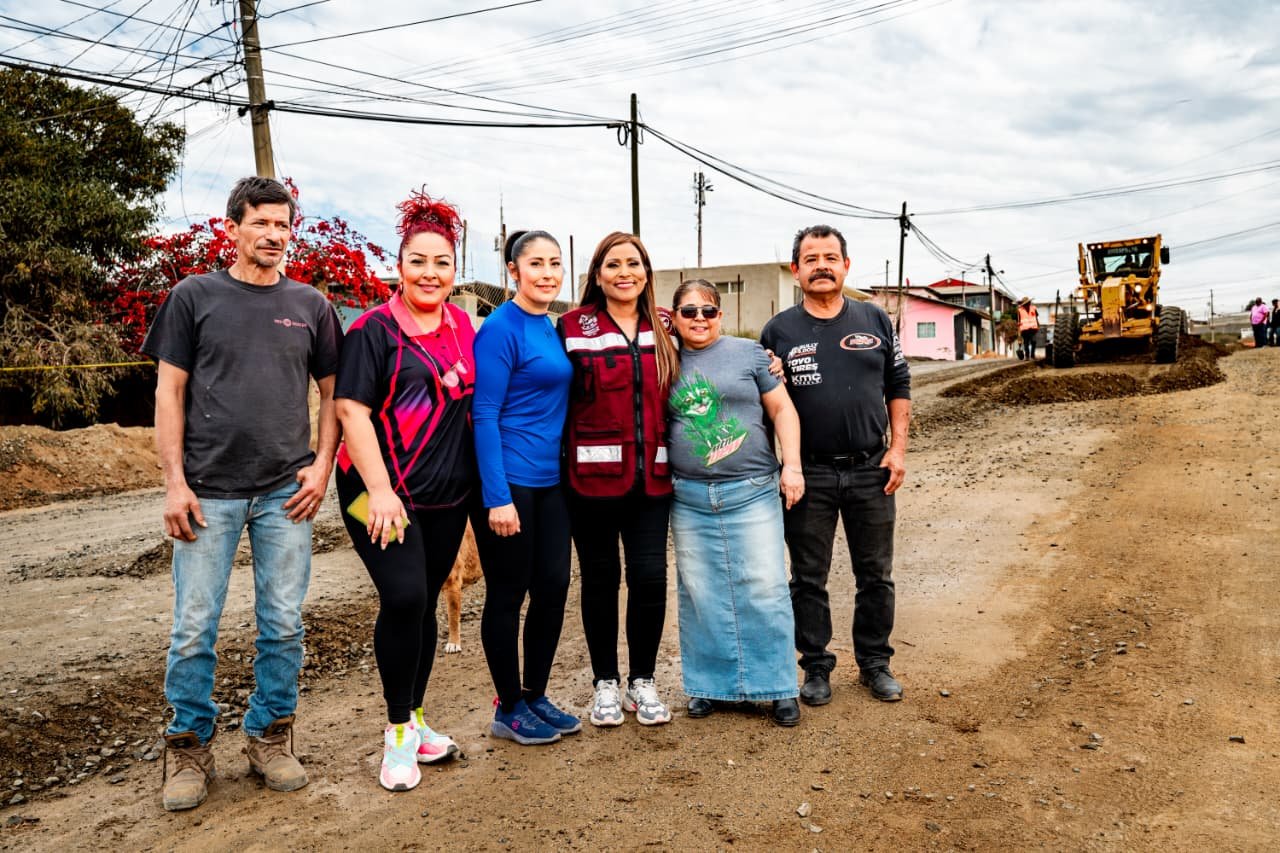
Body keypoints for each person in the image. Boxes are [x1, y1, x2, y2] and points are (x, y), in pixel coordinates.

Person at [142, 177, 342, 811]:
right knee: (193, 629)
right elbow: (167, 394)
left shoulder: (311, 305)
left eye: (283, 225)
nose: (274, 236)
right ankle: (187, 747)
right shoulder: (193, 296)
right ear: (233, 227)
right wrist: (173, 482)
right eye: (261, 223)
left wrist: (322, 467)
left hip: (287, 492)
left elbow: (334, 396)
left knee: (282, 625)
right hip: (206, 494)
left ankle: (271, 736)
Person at [333, 188, 474, 791]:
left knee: (423, 600)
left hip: (447, 495)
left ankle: (417, 720)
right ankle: (396, 736)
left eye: (442, 262)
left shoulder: (465, 325)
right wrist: (381, 488)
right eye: (418, 260)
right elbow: (350, 409)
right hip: (377, 493)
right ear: (400, 265)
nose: (430, 272)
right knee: (405, 599)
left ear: (454, 270)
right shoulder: (372, 329)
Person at [760, 225, 911, 706]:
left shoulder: (874, 318)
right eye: (810, 258)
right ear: (795, 270)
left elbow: (899, 385)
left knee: (876, 574)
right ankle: (816, 667)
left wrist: (898, 450)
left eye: (831, 257)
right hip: (811, 474)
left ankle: (874, 663)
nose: (821, 265)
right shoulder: (778, 331)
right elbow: (766, 401)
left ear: (847, 265)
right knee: (808, 578)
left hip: (871, 468)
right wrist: (783, 466)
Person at [667, 279, 805, 727]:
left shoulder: (749, 354)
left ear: (720, 315)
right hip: (688, 496)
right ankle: (712, 687)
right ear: (674, 318)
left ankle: (779, 687)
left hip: (751, 490)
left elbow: (782, 410)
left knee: (764, 587)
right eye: (689, 312)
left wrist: (792, 466)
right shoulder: (661, 360)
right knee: (702, 592)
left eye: (708, 311)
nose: (700, 320)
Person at [558, 232, 681, 727]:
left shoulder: (667, 326)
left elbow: (710, 363)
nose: (624, 272)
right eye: (613, 264)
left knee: (650, 578)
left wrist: (768, 364)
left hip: (652, 480)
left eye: (633, 263)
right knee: (601, 579)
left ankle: (642, 682)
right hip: (589, 482)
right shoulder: (570, 327)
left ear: (647, 273)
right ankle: (605, 683)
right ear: (598, 274)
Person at [472, 230, 578, 745]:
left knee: (554, 587)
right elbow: (484, 412)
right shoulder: (500, 327)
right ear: (513, 270)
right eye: (535, 263)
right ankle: (507, 705)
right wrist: (497, 497)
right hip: (510, 480)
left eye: (555, 263)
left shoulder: (552, 327)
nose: (547, 272)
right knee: (509, 592)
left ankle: (535, 694)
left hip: (552, 480)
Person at [1016, 297, 1040, 361]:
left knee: (1034, 341)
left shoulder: (1034, 308)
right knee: (1026, 343)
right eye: (1026, 303)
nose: (1028, 304)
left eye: (1028, 303)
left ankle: (1032, 355)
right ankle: (1027, 356)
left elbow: (1036, 317)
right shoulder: (1020, 310)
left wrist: (1038, 325)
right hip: (1024, 329)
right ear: (1024, 304)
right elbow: (1018, 321)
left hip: (1033, 328)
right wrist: (1019, 331)